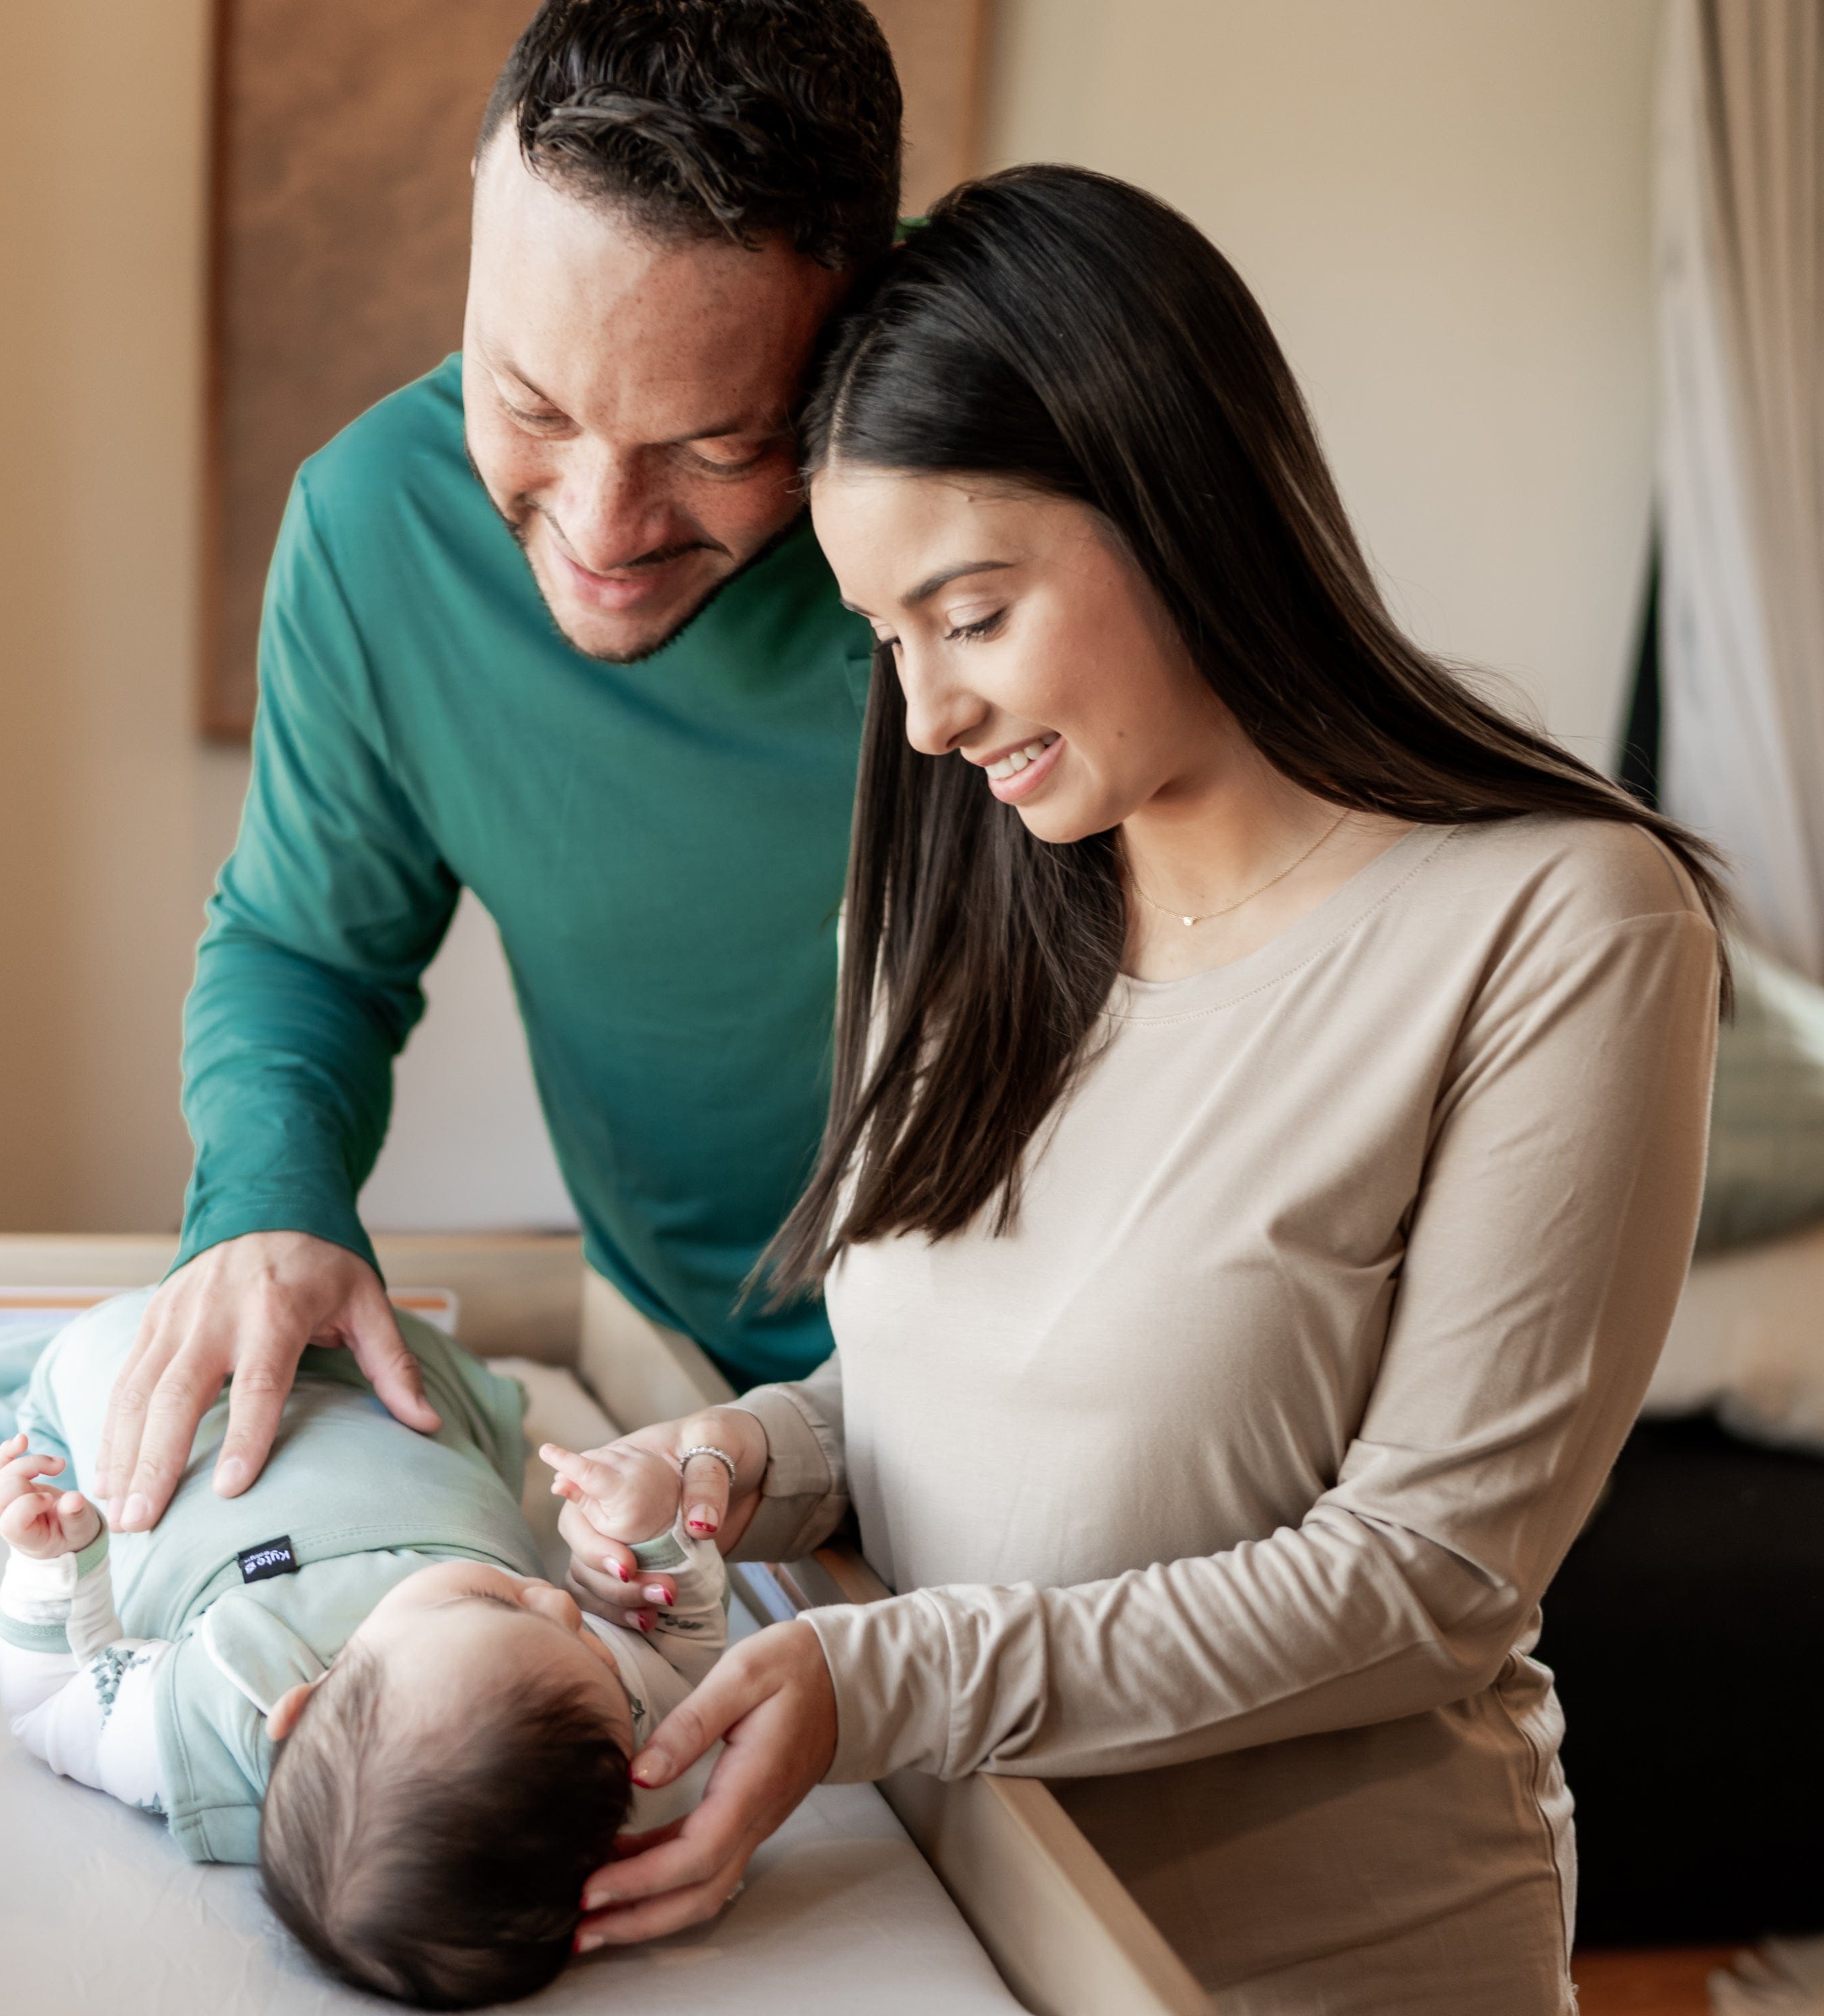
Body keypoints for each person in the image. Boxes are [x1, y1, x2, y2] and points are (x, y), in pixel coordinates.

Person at [552, 167, 1729, 2014]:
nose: (926, 716)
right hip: (959, 1921)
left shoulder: (1558, 926)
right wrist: (737, 1464)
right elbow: (983, 1388)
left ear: (1182, 502)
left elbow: (1425, 1583)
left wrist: (884, 1684)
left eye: (973, 611)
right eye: (885, 636)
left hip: (1312, 1962)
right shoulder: (952, 897)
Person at [95, 0, 905, 1537]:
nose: (602, 531)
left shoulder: (1004, 467)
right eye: (528, 404)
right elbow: (304, 948)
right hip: (684, 1409)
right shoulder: (373, 527)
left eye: (715, 446)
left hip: (1046, 1410)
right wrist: (267, 1200)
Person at [0, 1292, 728, 2009]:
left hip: (179, 1414)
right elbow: (676, 1667)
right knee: (438, 1386)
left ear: (299, 1702)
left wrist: (52, 1566)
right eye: (590, 1651)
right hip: (406, 1410)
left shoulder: (204, 1721)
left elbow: (50, 1705)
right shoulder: (595, 1758)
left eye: (494, 1597)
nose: (561, 1601)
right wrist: (653, 1543)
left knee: (121, 1367)